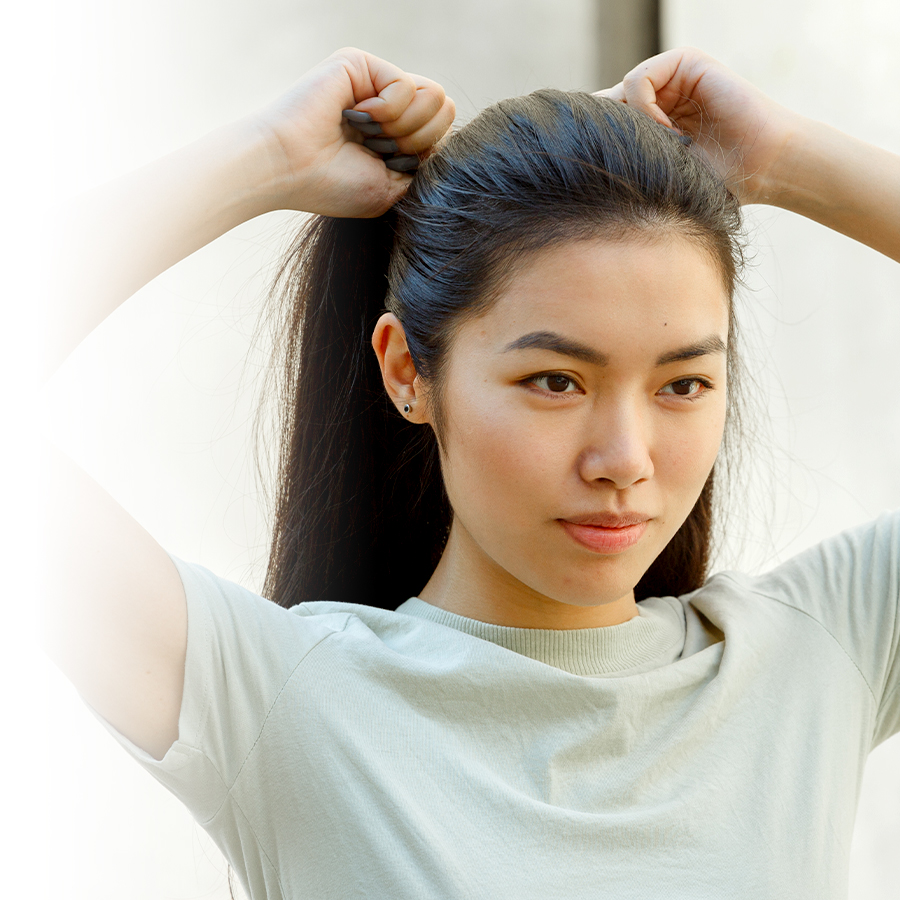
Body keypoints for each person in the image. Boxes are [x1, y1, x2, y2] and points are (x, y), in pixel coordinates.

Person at [40, 45, 900, 899]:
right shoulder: (280, 702)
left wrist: (790, 162)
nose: (625, 461)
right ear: (408, 371)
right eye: (555, 382)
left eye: (683, 384)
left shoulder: (819, 654)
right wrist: (267, 158)